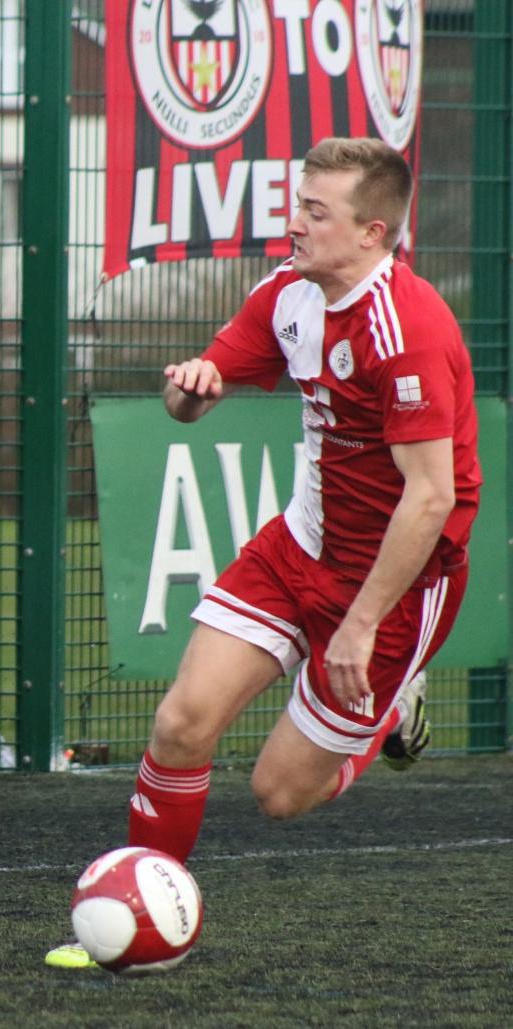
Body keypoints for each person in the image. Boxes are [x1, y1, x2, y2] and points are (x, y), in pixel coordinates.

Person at [46, 137, 480, 968]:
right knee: (180, 722)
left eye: (317, 211)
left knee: (279, 795)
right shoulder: (288, 293)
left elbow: (431, 497)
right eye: (298, 202)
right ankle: (141, 922)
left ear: (373, 232)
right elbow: (190, 395)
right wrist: (191, 386)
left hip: (398, 583)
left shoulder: (408, 327)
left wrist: (358, 627)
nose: (296, 222)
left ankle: (391, 707)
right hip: (300, 545)